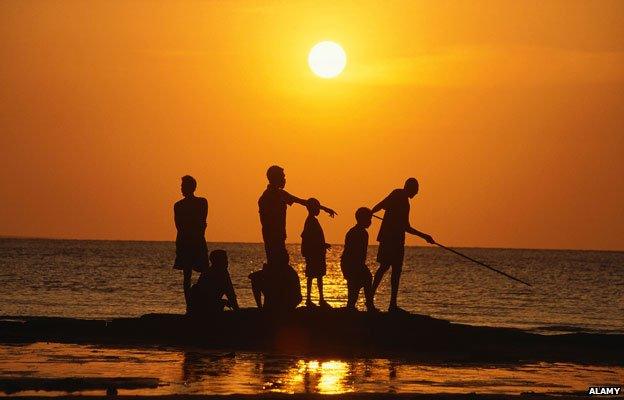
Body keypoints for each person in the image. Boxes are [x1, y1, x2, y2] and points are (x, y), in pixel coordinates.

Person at [371, 178, 435, 312]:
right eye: (416, 190)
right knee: (385, 268)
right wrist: (370, 213)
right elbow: (382, 204)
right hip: (390, 240)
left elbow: (405, 226)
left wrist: (424, 237)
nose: (416, 193)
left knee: (395, 271)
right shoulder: (397, 194)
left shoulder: (405, 202)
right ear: (409, 187)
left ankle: (391, 304)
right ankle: (371, 300)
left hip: (398, 241)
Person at [258, 165, 336, 268]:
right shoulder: (267, 197)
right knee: (278, 263)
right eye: (282, 177)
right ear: (275, 178)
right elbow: (266, 222)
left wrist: (324, 208)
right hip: (273, 238)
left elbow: (303, 202)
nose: (284, 179)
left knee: (281, 262)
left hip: (279, 237)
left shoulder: (281, 194)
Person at [173, 175, 208, 314]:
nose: (181, 189)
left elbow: (201, 222)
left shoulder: (200, 202)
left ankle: (198, 302)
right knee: (188, 275)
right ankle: (190, 305)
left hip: (192, 241)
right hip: (188, 242)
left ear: (191, 187)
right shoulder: (179, 205)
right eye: (182, 186)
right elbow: (180, 225)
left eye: (183, 186)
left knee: (201, 273)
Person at [340, 207, 377, 312]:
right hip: (351, 265)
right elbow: (355, 253)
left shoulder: (357, 232)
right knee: (360, 283)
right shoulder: (359, 233)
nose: (370, 222)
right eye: (368, 219)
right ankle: (364, 306)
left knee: (362, 282)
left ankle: (356, 306)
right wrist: (359, 267)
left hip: (352, 264)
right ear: (362, 219)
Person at [301, 198, 332, 308]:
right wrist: (323, 245)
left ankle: (318, 299)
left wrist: (323, 245)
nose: (319, 210)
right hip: (314, 254)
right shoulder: (311, 221)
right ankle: (313, 299)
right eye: (317, 208)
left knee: (317, 276)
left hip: (315, 253)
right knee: (314, 276)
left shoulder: (311, 220)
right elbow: (311, 239)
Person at [188, 250, 239, 315]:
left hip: (199, 307)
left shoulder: (206, 272)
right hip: (207, 308)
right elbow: (230, 294)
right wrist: (237, 310)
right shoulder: (222, 273)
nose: (227, 262)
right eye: (225, 259)